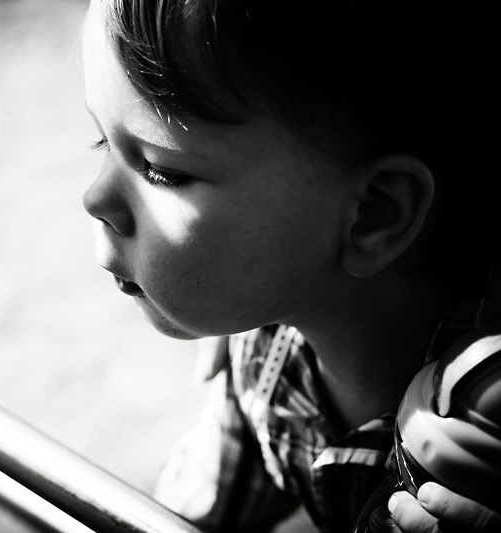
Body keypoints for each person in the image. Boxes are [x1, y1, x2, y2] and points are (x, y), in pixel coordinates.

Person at [80, 1, 501, 532]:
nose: (95, 198)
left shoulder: (480, 429)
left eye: (162, 171)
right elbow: (193, 512)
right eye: (102, 139)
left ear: (374, 213)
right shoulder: (262, 348)